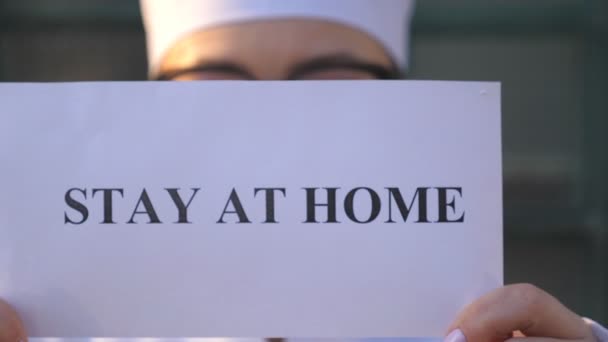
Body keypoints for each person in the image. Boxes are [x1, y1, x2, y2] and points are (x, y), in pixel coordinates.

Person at [1, 1, 606, 342]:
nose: (270, 130)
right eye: (216, 86)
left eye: (330, 87)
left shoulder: (485, 330)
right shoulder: (58, 330)